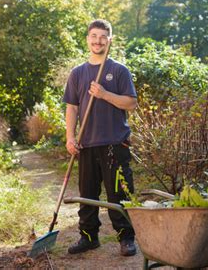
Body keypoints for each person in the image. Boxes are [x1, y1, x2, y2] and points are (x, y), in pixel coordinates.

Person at [63, 19, 138, 256]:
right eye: (94, 36)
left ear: (109, 40)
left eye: (103, 37)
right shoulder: (78, 73)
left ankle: (126, 238)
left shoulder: (118, 70)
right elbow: (72, 107)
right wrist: (70, 137)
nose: (98, 41)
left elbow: (131, 103)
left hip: (115, 143)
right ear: (87, 39)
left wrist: (105, 94)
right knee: (88, 195)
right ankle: (88, 237)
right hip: (86, 144)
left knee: (119, 194)